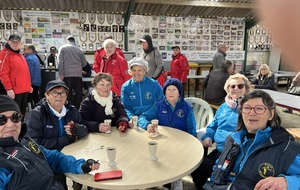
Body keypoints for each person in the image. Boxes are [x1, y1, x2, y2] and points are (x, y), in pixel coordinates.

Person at [203, 90, 300, 190]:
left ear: (271, 114)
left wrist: (287, 182)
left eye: (259, 108)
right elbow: (218, 168)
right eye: (247, 108)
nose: (252, 113)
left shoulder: (286, 148)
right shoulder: (233, 139)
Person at [0, 95, 100, 190]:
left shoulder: (24, 141)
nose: (10, 125)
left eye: (15, 117)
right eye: (1, 119)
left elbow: (53, 158)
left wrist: (80, 165)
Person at [24, 79, 89, 190]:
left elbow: (85, 129)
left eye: (62, 93)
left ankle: (78, 181)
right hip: (48, 162)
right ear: (47, 95)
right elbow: (34, 144)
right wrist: (66, 139)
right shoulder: (36, 115)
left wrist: (77, 129)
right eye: (54, 92)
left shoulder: (71, 110)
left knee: (89, 166)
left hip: (72, 153)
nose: (59, 96)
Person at [191, 73, 251, 190]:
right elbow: (213, 125)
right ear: (227, 89)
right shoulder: (223, 107)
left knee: (225, 177)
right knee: (198, 169)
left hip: (238, 153)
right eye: (232, 86)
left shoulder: (249, 108)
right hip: (220, 150)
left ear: (246, 88)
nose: (236, 89)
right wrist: (208, 137)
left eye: (240, 86)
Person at [139, 78, 196, 190]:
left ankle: (176, 181)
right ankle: (154, 180)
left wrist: (190, 145)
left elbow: (192, 129)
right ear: (164, 92)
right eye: (168, 89)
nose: (171, 92)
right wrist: (147, 125)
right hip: (162, 140)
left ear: (179, 92)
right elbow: (143, 117)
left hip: (180, 142)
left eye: (174, 89)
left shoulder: (187, 107)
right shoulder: (159, 105)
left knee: (175, 157)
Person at [121, 57, 164, 126]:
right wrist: (132, 118)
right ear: (130, 72)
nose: (136, 73)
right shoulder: (126, 87)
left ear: (145, 71)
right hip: (134, 122)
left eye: (139, 70)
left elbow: (161, 101)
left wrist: (146, 116)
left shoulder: (154, 84)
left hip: (152, 119)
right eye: (134, 70)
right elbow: (126, 107)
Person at [0, 34, 32, 118]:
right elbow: (3, 73)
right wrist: (9, 89)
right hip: (14, 91)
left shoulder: (20, 54)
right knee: (15, 115)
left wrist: (28, 86)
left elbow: (24, 72)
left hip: (24, 89)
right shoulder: (5, 54)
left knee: (22, 113)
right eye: (13, 41)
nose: (15, 43)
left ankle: (21, 129)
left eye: (17, 42)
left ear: (20, 43)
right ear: (8, 42)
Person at [58, 35, 87, 109]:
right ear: (74, 41)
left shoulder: (62, 48)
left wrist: (61, 74)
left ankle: (69, 108)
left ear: (67, 41)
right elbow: (84, 63)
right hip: (78, 75)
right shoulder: (79, 49)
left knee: (68, 93)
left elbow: (60, 62)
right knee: (78, 93)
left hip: (67, 75)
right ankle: (79, 109)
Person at [23, 44, 41, 109]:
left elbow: (29, 72)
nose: (23, 50)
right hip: (37, 81)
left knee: (29, 99)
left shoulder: (29, 59)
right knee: (36, 98)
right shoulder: (35, 57)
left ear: (30, 50)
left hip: (31, 82)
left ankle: (31, 113)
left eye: (25, 49)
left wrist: (28, 83)